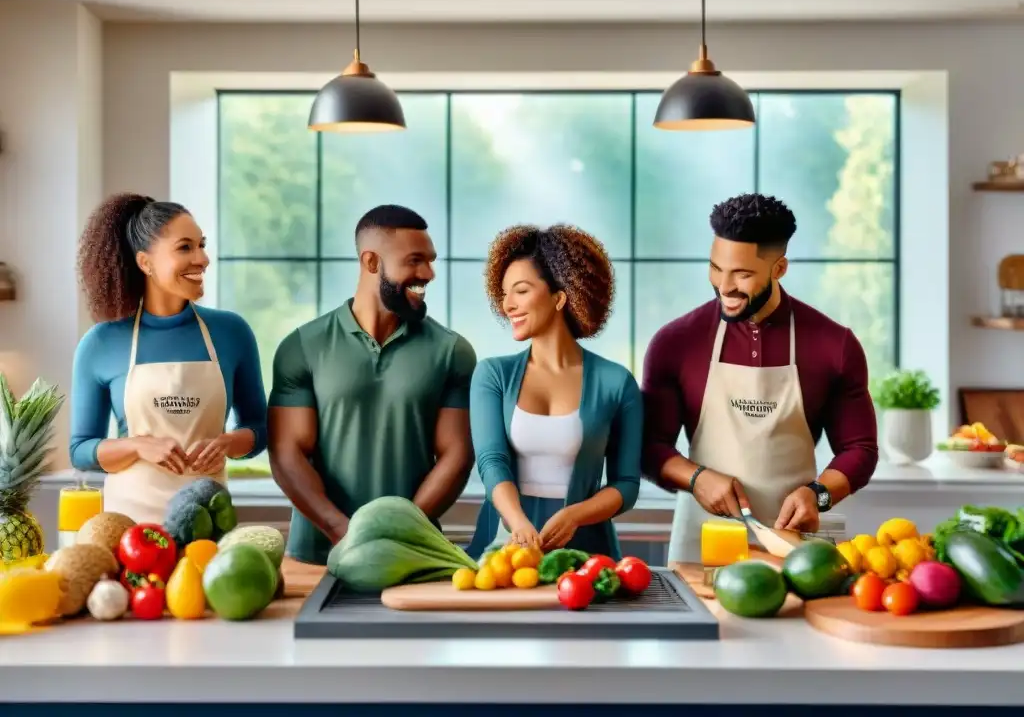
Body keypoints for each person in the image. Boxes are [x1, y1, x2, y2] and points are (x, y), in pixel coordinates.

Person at [641, 194, 878, 564]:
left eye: (743, 274)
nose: (724, 286)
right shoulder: (675, 342)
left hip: (792, 545)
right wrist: (696, 478)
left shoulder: (835, 345)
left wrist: (818, 495)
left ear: (779, 268)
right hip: (701, 545)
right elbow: (650, 446)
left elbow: (860, 450)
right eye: (716, 268)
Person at [268, 205, 477, 566]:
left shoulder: (452, 352)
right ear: (371, 262)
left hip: (413, 553)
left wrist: (396, 532)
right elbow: (288, 453)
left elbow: (456, 456)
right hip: (317, 557)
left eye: (430, 261)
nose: (428, 273)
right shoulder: (302, 346)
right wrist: (343, 532)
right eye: (415, 261)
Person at [70, 193, 268, 524]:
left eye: (202, 245)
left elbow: (260, 429)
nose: (203, 259)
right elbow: (80, 450)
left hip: (208, 526)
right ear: (145, 263)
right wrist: (136, 446)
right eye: (185, 247)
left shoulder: (232, 333)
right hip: (128, 530)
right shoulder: (101, 343)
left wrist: (230, 442)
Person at [467, 224, 643, 561]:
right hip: (506, 547)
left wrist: (575, 515)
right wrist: (518, 523)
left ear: (560, 297)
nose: (507, 306)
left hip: (589, 552)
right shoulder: (493, 375)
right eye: (503, 294)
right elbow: (491, 462)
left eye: (520, 291)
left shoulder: (616, 382)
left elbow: (626, 485)